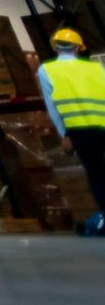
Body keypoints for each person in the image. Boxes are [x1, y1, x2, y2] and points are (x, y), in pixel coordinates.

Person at [36, 27, 105, 236]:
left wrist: (64, 134)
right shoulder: (95, 68)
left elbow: (52, 106)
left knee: (97, 174)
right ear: (78, 47)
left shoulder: (47, 70)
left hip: (79, 129)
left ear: (55, 46)